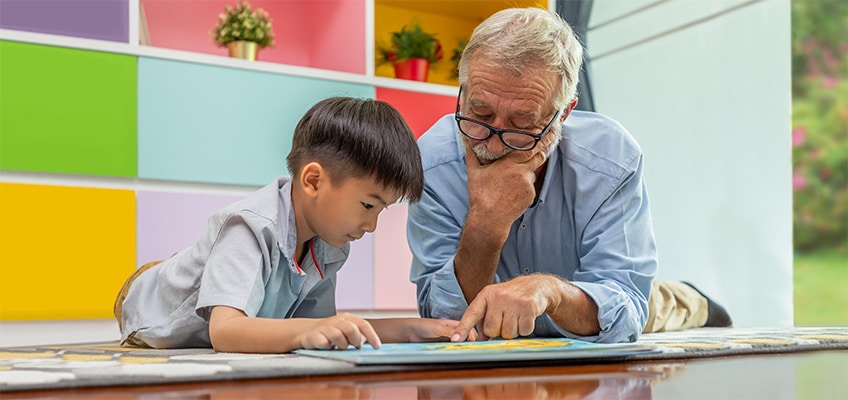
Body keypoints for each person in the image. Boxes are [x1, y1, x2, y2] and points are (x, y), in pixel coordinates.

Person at [407, 7, 731, 344]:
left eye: (521, 123)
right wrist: (487, 222)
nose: (493, 140)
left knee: (655, 305)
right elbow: (444, 319)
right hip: (501, 331)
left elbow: (625, 308)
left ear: (564, 114)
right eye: (480, 112)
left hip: (582, 298)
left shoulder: (610, 158)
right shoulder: (432, 161)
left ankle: (689, 299)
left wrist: (551, 291)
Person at [114, 97, 469, 353]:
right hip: (146, 301)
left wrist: (411, 328)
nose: (372, 226)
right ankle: (177, 268)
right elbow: (225, 332)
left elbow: (325, 326)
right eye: (367, 205)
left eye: (381, 210)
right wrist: (310, 330)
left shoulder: (329, 245)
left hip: (225, 306)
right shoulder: (251, 226)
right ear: (313, 180)